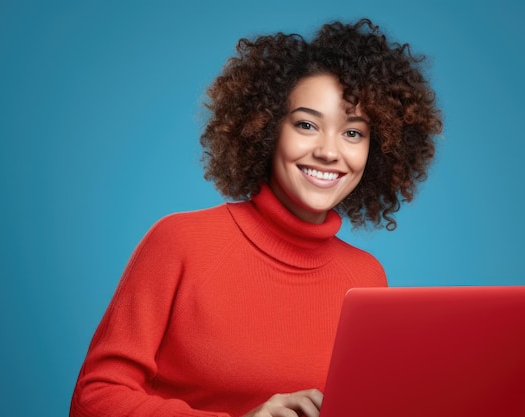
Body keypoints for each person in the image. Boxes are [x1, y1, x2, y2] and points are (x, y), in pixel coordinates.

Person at [70, 18, 442, 417]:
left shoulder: (367, 278)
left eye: (353, 133)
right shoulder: (179, 242)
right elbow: (94, 399)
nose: (329, 152)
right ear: (266, 128)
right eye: (306, 125)